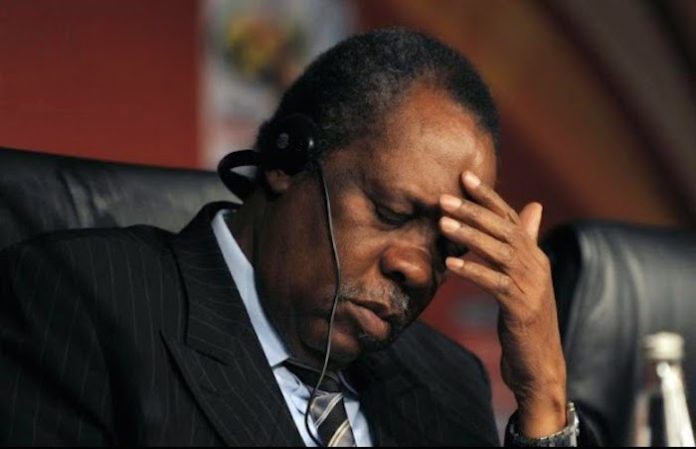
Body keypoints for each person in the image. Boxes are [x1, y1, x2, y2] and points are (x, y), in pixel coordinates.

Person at [0, 28, 594, 446]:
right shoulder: (79, 301)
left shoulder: (446, 381)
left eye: (448, 246)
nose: (417, 269)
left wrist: (543, 395)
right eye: (390, 212)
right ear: (287, 161)